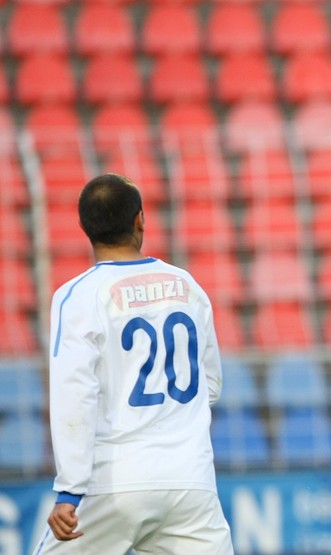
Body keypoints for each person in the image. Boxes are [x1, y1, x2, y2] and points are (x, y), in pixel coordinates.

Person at [37, 174, 234, 554]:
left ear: (84, 227)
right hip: (191, 483)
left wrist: (70, 489)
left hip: (115, 482)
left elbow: (73, 392)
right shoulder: (187, 286)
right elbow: (210, 385)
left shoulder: (77, 296)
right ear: (140, 219)